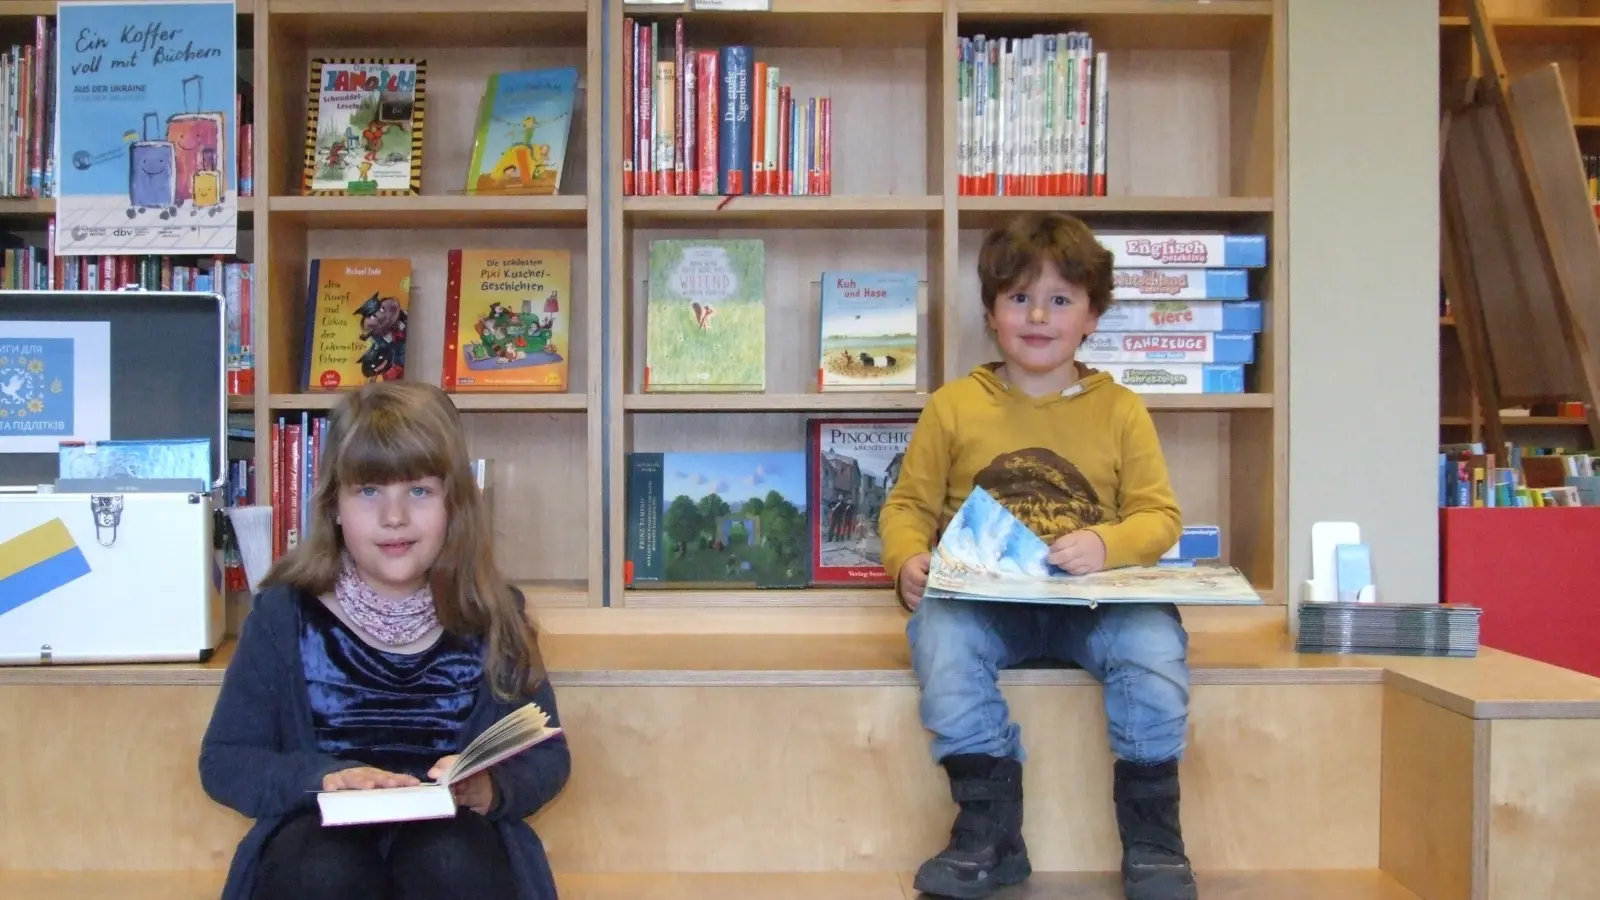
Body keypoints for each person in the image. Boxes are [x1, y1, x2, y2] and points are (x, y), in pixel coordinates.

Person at [878, 211, 1193, 900]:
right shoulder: (953, 407)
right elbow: (907, 507)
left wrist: (1106, 543)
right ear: (991, 313)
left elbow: (1160, 516)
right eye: (1019, 298)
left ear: (1092, 316)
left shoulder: (1121, 409)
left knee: (1154, 647)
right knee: (939, 636)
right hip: (988, 605)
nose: (1039, 316)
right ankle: (989, 832)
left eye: (1061, 299)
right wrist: (906, 560)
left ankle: (1154, 839)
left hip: (1097, 603)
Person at [198, 381, 571, 900]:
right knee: (322, 870)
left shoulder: (491, 614)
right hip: (319, 842)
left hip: (453, 846)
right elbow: (226, 761)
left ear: (454, 505)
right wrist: (325, 779)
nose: (394, 517)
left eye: (418, 491)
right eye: (369, 491)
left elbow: (546, 755)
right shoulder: (284, 615)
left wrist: (491, 788)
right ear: (334, 505)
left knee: (450, 859)